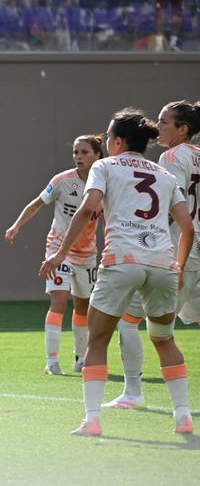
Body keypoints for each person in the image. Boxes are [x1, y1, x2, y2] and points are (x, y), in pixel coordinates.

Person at [42, 109, 195, 437]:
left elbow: (87, 209)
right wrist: (179, 265)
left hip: (121, 261)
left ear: (117, 141)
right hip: (163, 264)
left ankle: (92, 420)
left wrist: (59, 252)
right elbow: (186, 226)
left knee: (98, 339)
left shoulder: (105, 165)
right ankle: (183, 416)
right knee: (164, 339)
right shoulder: (164, 174)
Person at [104, 100, 200, 410]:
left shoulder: (171, 157)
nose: (157, 127)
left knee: (130, 321)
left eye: (164, 122)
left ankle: (133, 391)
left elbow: (172, 210)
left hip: (175, 254)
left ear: (183, 129)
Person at [5, 135, 105, 375]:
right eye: (75, 152)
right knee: (59, 300)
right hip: (57, 252)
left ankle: (81, 358)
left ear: (97, 155)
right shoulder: (62, 181)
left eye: (84, 152)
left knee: (83, 307)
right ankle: (52, 362)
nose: (78, 157)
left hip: (87, 255)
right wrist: (16, 225)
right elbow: (37, 203)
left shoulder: (104, 184)